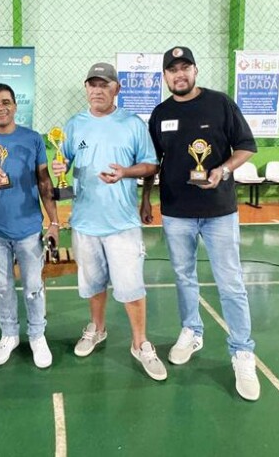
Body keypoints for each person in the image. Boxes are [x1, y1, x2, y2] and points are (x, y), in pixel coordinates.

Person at [141, 46, 260, 401]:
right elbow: (153, 161)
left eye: (185, 67)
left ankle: (242, 351)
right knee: (183, 276)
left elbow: (246, 146)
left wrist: (223, 169)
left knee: (231, 283)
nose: (179, 74)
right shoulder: (160, 113)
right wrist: (146, 198)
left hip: (219, 211)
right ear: (165, 76)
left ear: (195, 70)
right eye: (172, 69)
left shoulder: (220, 103)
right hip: (176, 211)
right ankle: (192, 331)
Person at [52, 63, 167, 381]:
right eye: (92, 84)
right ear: (86, 88)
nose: (97, 90)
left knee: (131, 287)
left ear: (117, 88)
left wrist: (125, 172)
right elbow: (66, 159)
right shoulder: (75, 124)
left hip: (122, 224)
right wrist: (60, 165)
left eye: (104, 84)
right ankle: (97, 328)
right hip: (85, 222)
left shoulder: (132, 124)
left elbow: (150, 166)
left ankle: (140, 343)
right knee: (93, 284)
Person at [0, 83, 59, 369]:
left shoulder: (33, 139)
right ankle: (9, 334)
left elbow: (44, 182)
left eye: (5, 102)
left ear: (15, 106)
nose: (0, 107)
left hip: (28, 229)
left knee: (33, 286)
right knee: (3, 287)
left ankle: (37, 335)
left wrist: (54, 222)